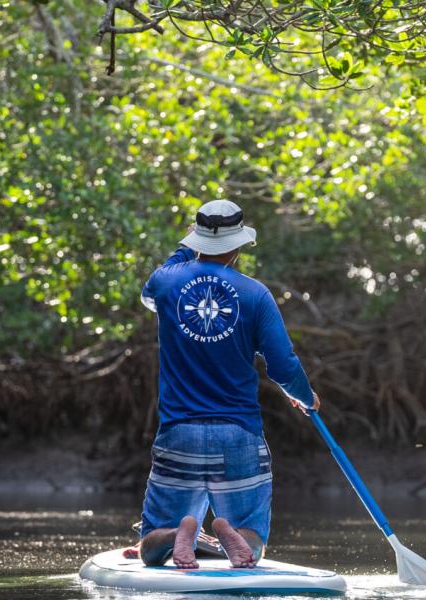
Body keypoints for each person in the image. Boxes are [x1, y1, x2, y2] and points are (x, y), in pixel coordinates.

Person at [137, 199, 319, 569]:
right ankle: (231, 534)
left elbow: (150, 290)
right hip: (238, 435)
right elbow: (283, 366)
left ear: (196, 237)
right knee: (253, 539)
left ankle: (176, 535)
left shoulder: (166, 282)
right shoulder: (256, 294)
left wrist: (189, 245)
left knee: (148, 550)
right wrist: (305, 396)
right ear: (237, 246)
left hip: (179, 431)